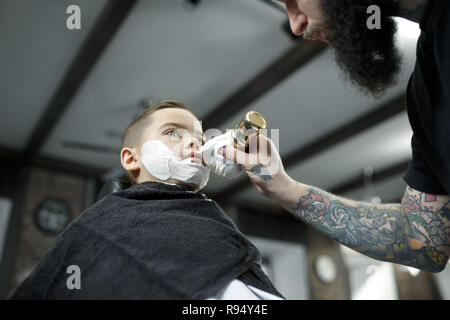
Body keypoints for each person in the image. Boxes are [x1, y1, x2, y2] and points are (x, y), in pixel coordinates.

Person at [219, 0, 450, 272]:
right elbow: (421, 241)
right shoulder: (428, 84)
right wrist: (283, 188)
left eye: (293, 1)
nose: (295, 25)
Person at [11, 100, 284, 299]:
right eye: (172, 132)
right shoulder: (95, 227)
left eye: (199, 138)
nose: (194, 143)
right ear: (131, 158)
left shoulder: (213, 219)